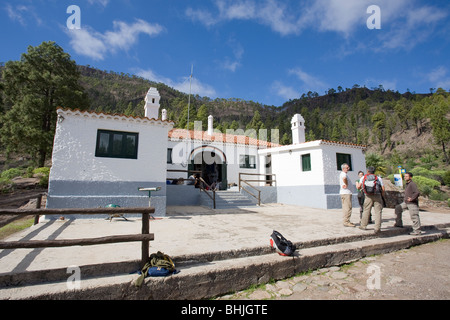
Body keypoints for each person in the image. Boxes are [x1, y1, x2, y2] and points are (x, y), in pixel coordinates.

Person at [359, 166, 385, 234]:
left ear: (368, 171)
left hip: (368, 196)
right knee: (378, 212)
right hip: (377, 195)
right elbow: (383, 188)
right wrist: (381, 196)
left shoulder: (363, 177)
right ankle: (377, 228)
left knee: (366, 210)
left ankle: (363, 225)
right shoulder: (378, 178)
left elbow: (359, 186)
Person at [340, 163, 355, 227]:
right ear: (343, 168)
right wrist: (346, 184)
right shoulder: (343, 174)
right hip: (346, 193)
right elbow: (344, 178)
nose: (348, 169)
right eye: (347, 168)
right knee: (348, 208)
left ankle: (346, 220)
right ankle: (346, 222)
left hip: (346, 193)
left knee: (346, 208)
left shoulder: (344, 174)